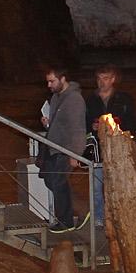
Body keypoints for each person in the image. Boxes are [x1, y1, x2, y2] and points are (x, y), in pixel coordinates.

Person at [84, 64, 136, 224]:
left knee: (117, 185)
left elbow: (133, 123)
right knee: (96, 185)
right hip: (97, 148)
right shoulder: (90, 100)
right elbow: (82, 122)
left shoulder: (124, 99)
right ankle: (99, 217)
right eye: (99, 78)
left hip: (118, 149)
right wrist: (91, 127)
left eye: (106, 78)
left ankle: (119, 217)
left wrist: (118, 127)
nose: (102, 82)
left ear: (113, 79)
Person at [38, 63, 86, 230]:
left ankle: (66, 220)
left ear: (63, 79)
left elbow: (78, 128)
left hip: (66, 149)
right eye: (48, 82)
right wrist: (47, 124)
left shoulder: (74, 99)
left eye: (52, 81)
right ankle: (78, 209)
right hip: (53, 146)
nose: (49, 85)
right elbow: (59, 123)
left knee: (58, 182)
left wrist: (75, 154)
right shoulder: (56, 97)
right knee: (49, 180)